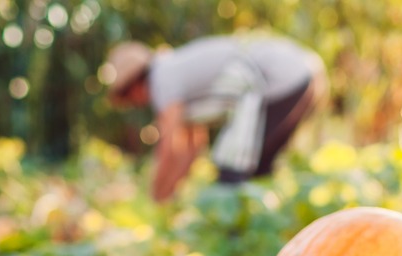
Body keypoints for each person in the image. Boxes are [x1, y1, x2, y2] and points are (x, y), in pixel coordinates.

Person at [102, 33, 326, 202]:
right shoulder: (174, 74)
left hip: (280, 78)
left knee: (233, 172)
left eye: (127, 96)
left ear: (134, 85)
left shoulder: (162, 78)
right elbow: (192, 147)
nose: (133, 103)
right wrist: (171, 195)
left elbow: (168, 148)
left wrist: (153, 200)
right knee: (257, 170)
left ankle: (241, 241)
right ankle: (265, 233)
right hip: (302, 74)